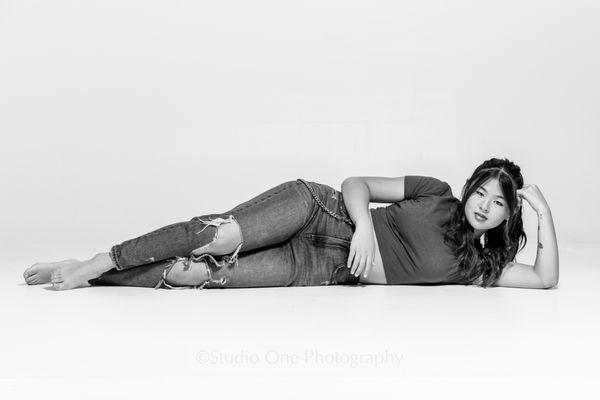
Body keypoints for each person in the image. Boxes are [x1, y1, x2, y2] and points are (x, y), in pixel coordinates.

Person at [22, 157, 559, 291]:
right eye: (482, 191)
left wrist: (546, 216)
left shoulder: (482, 267)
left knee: (196, 276)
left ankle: (88, 276)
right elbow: (356, 185)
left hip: (323, 266)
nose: (485, 204)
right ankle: (98, 260)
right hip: (318, 209)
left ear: (509, 214)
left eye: (500, 202)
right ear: (469, 189)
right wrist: (367, 229)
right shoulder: (436, 193)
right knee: (215, 234)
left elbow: (544, 279)